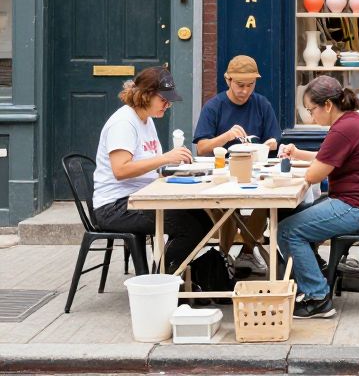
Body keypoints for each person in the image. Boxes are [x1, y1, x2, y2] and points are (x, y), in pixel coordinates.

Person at [277, 76, 359, 319]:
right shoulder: (352, 122)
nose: (310, 117)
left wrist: (302, 168)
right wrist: (298, 153)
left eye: (311, 110)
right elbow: (328, 158)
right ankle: (315, 270)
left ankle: (318, 297)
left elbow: (315, 174)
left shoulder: (343, 129)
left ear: (328, 105)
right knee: (291, 214)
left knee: (288, 230)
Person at [92, 67, 212, 273]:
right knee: (190, 227)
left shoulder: (146, 120)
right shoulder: (123, 123)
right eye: (164, 100)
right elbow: (120, 170)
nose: (168, 105)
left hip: (140, 197)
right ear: (146, 95)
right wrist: (165, 158)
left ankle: (170, 275)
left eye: (169, 101)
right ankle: (161, 280)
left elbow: (153, 165)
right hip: (115, 206)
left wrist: (178, 169)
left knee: (202, 218)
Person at [193, 55, 281, 275]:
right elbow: (201, 148)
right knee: (225, 208)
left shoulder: (261, 103)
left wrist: (270, 144)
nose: (244, 90)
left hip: (254, 172)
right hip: (220, 173)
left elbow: (273, 140)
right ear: (228, 80)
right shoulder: (214, 106)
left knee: (265, 203)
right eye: (240, 85)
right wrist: (226, 136)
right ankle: (223, 257)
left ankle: (248, 252)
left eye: (250, 85)